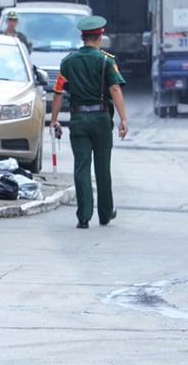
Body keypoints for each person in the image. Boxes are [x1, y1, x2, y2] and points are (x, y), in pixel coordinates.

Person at [49, 15, 128, 229]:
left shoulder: (68, 62)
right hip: (101, 119)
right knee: (103, 166)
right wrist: (123, 119)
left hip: (78, 120)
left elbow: (58, 93)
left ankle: (83, 216)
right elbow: (115, 89)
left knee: (81, 166)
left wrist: (54, 119)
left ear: (82, 37)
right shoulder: (106, 61)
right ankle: (105, 213)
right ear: (100, 37)